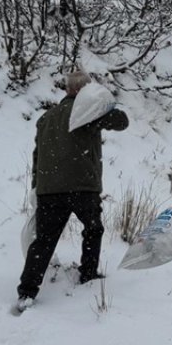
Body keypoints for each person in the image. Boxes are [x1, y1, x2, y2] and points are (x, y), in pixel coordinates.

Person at [15, 70, 129, 311]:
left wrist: (37, 186)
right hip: (82, 187)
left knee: (44, 241)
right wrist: (103, 103)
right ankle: (87, 273)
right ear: (85, 91)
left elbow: (37, 156)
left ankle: (26, 291)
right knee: (93, 229)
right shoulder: (88, 113)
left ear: (67, 89)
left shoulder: (46, 118)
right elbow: (122, 122)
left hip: (49, 189)